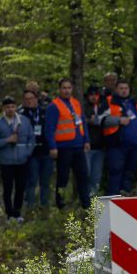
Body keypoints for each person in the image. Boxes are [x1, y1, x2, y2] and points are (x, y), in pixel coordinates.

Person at [46, 78, 91, 209]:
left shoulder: (76, 103)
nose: (67, 90)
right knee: (63, 178)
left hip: (78, 146)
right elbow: (49, 128)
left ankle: (86, 205)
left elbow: (82, 122)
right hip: (63, 147)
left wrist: (86, 140)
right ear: (59, 89)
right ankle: (61, 205)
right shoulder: (54, 106)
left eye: (69, 88)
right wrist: (52, 146)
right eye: (64, 88)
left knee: (83, 175)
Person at [0, 96, 34, 221]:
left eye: (12, 106)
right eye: (7, 107)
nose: (10, 109)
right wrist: (6, 140)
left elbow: (31, 139)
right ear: (3, 108)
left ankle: (17, 213)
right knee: (8, 188)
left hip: (22, 161)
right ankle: (9, 214)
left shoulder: (24, 121)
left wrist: (27, 153)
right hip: (6, 162)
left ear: (16, 107)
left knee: (20, 187)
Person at [102, 80, 137, 195]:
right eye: (121, 88)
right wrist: (118, 120)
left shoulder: (134, 103)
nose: (124, 90)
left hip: (134, 146)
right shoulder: (109, 101)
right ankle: (113, 199)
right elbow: (100, 120)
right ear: (116, 89)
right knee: (115, 173)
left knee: (129, 174)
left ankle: (125, 198)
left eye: (126, 88)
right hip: (117, 145)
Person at [19, 89, 53, 208]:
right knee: (32, 181)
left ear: (36, 99)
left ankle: (45, 206)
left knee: (45, 181)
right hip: (31, 153)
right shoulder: (22, 115)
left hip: (46, 151)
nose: (29, 101)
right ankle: (31, 207)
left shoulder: (45, 111)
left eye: (31, 98)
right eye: (26, 99)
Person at [83, 85, 106, 196]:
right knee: (86, 173)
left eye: (96, 95)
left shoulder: (103, 107)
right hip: (88, 146)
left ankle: (94, 199)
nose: (93, 97)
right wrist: (90, 121)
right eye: (91, 95)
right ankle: (85, 197)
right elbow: (80, 122)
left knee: (96, 176)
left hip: (100, 146)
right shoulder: (83, 108)